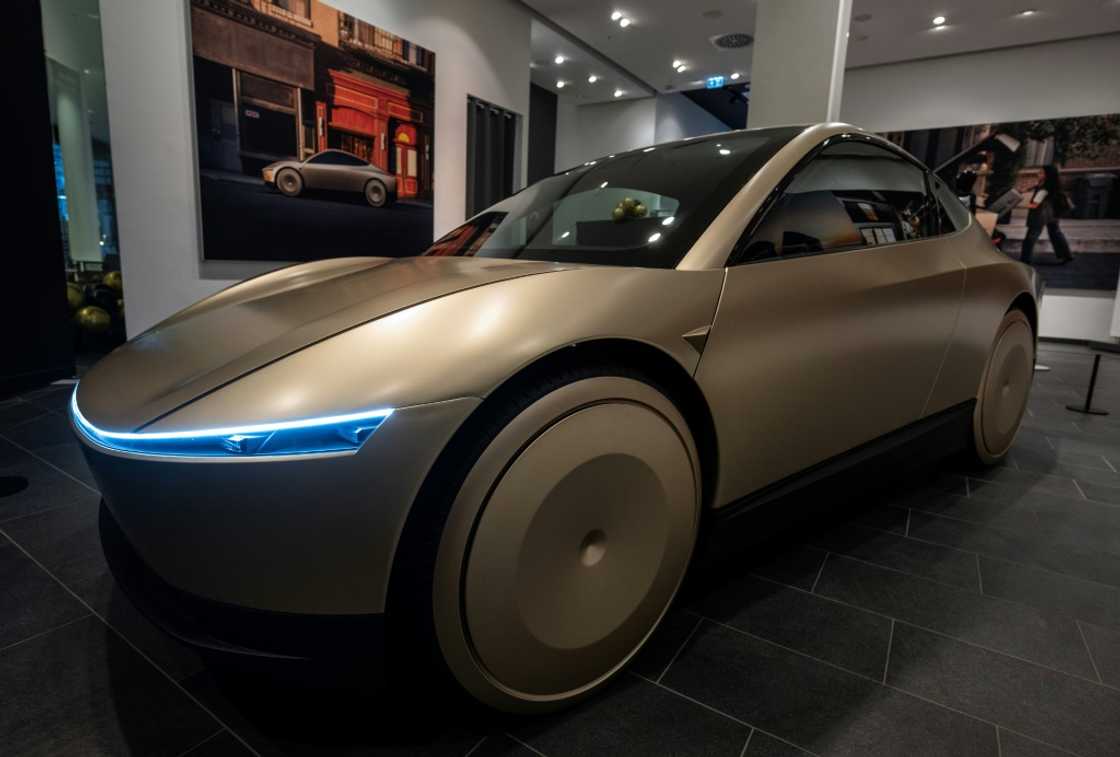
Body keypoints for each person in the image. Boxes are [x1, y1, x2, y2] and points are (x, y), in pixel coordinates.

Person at [1020, 164, 1073, 265]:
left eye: (1041, 172)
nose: (1038, 173)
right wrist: (1027, 189)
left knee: (1031, 237)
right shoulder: (1051, 185)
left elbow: (1034, 205)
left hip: (1040, 215)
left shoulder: (1043, 190)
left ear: (1047, 175)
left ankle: (1025, 259)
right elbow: (1038, 186)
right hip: (1052, 213)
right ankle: (1066, 255)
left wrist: (1018, 204)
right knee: (1056, 233)